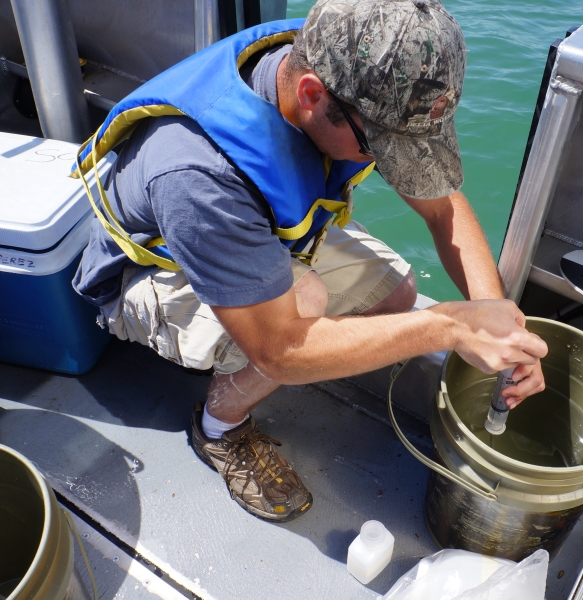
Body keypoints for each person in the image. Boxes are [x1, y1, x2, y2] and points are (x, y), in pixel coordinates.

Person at [71, 0, 547, 523]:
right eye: (382, 150)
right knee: (306, 304)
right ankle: (218, 428)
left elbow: (440, 205)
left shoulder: (354, 60)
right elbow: (279, 349)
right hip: (149, 274)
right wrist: (452, 328)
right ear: (312, 95)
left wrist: (493, 313)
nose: (388, 166)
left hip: (248, 236)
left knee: (395, 294)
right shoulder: (197, 173)